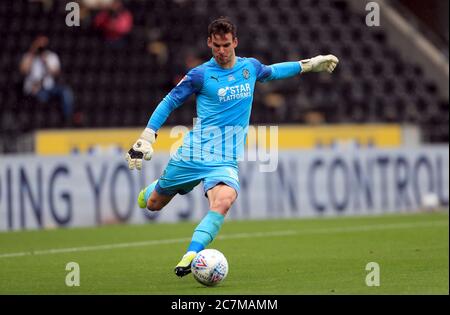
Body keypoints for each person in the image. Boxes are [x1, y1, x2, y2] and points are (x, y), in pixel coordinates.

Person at [125, 17, 339, 277]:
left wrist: (308, 65)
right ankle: (153, 190)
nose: (222, 51)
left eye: (226, 45)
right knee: (154, 204)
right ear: (209, 43)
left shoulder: (250, 68)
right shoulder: (200, 74)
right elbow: (170, 101)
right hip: (193, 153)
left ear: (235, 42)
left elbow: (274, 71)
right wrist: (148, 136)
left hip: (225, 159)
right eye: (216, 46)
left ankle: (192, 254)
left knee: (224, 201)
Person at [20, 35, 75, 123]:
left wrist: (45, 61)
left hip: (49, 87)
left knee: (66, 92)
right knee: (41, 97)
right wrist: (32, 53)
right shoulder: (28, 56)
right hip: (33, 88)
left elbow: (56, 72)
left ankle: (67, 119)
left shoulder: (51, 56)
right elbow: (23, 70)